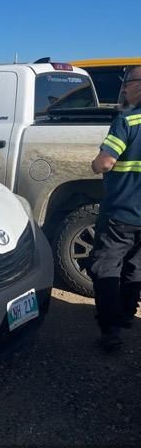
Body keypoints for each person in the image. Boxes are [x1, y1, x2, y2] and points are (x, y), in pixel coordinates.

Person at [89, 65, 141, 352]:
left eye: (128, 83)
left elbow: (105, 162)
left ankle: (110, 330)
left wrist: (94, 165)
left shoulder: (128, 121)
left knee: (107, 266)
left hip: (122, 209)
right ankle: (127, 314)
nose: (124, 89)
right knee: (136, 265)